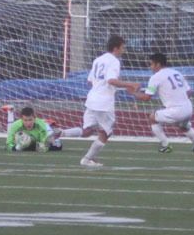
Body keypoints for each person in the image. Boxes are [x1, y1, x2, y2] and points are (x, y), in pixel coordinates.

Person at [58, 35, 139, 167]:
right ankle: (87, 159)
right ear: (116, 48)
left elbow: (90, 80)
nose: (124, 50)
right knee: (106, 132)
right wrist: (130, 84)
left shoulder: (98, 59)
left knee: (87, 130)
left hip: (92, 99)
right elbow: (111, 80)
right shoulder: (114, 61)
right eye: (122, 47)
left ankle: (61, 133)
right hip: (104, 103)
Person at [129, 52, 194, 154]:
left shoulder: (156, 77)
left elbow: (146, 98)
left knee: (152, 118)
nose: (150, 67)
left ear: (158, 64)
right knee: (184, 126)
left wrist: (133, 93)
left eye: (151, 64)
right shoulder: (177, 73)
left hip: (176, 111)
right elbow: (189, 91)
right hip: (188, 108)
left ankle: (166, 145)